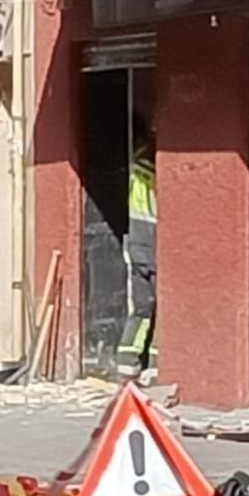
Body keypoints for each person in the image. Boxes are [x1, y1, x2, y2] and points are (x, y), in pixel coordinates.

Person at [118, 123, 157, 378]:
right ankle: (156, 366)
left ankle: (127, 364)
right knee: (162, 309)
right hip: (153, 244)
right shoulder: (154, 170)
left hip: (136, 244)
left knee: (142, 309)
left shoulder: (135, 170)